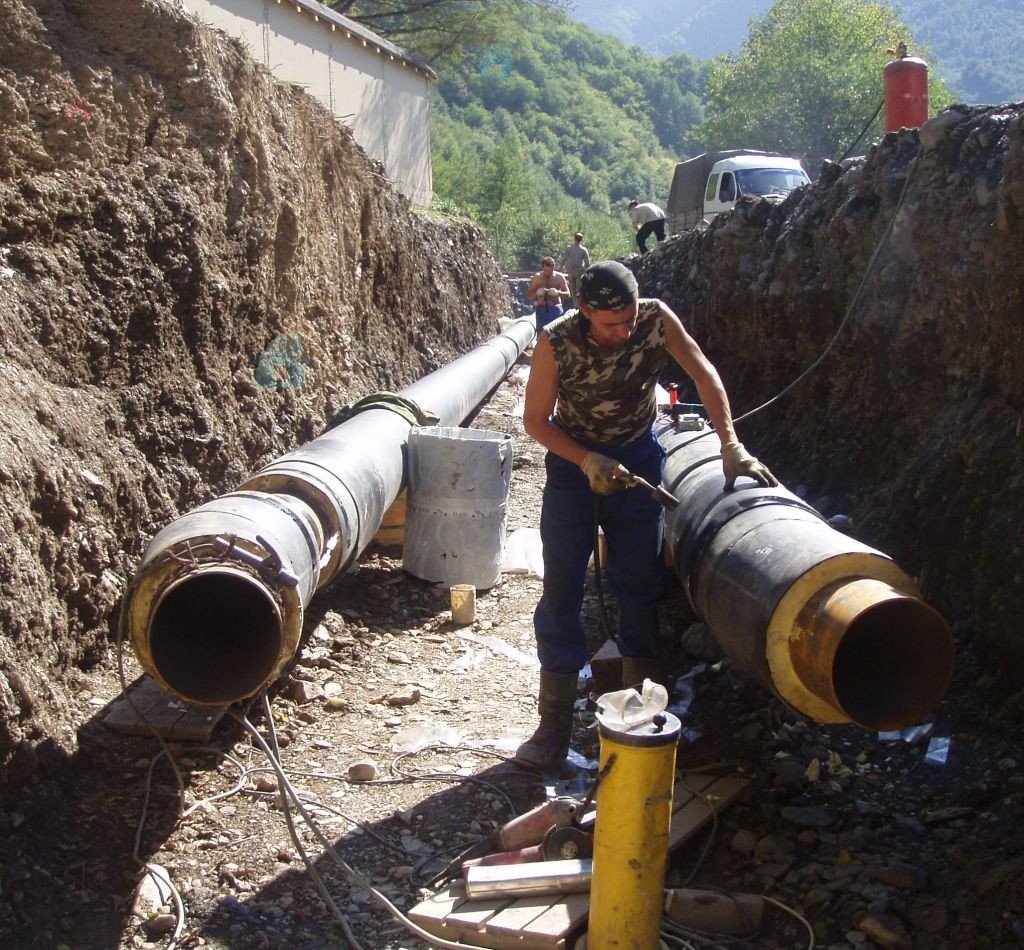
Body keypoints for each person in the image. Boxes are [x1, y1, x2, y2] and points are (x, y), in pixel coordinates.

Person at [516, 260, 776, 769]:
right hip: (574, 467)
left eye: (629, 318)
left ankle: (639, 715)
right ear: (583, 310)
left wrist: (730, 444)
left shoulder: (656, 319)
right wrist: (587, 460)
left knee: (639, 585)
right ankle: (553, 727)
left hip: (637, 460)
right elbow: (535, 421)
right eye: (611, 324)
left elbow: (703, 373)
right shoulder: (557, 340)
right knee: (562, 588)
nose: (624, 331)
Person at [526, 257, 571, 330]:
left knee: (558, 332)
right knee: (541, 332)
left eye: (551, 270)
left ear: (554, 267)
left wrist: (558, 293)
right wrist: (537, 292)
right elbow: (529, 295)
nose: (548, 272)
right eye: (546, 270)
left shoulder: (559, 277)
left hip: (556, 309)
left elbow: (568, 294)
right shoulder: (537, 278)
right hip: (542, 310)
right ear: (542, 267)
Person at [559, 233, 591, 306]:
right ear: (581, 240)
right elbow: (587, 263)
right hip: (579, 271)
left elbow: (564, 259)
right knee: (579, 288)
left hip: (570, 270)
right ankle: (579, 303)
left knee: (572, 287)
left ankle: (574, 303)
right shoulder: (583, 250)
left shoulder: (569, 248)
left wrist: (560, 268)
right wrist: (586, 271)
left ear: (574, 238)